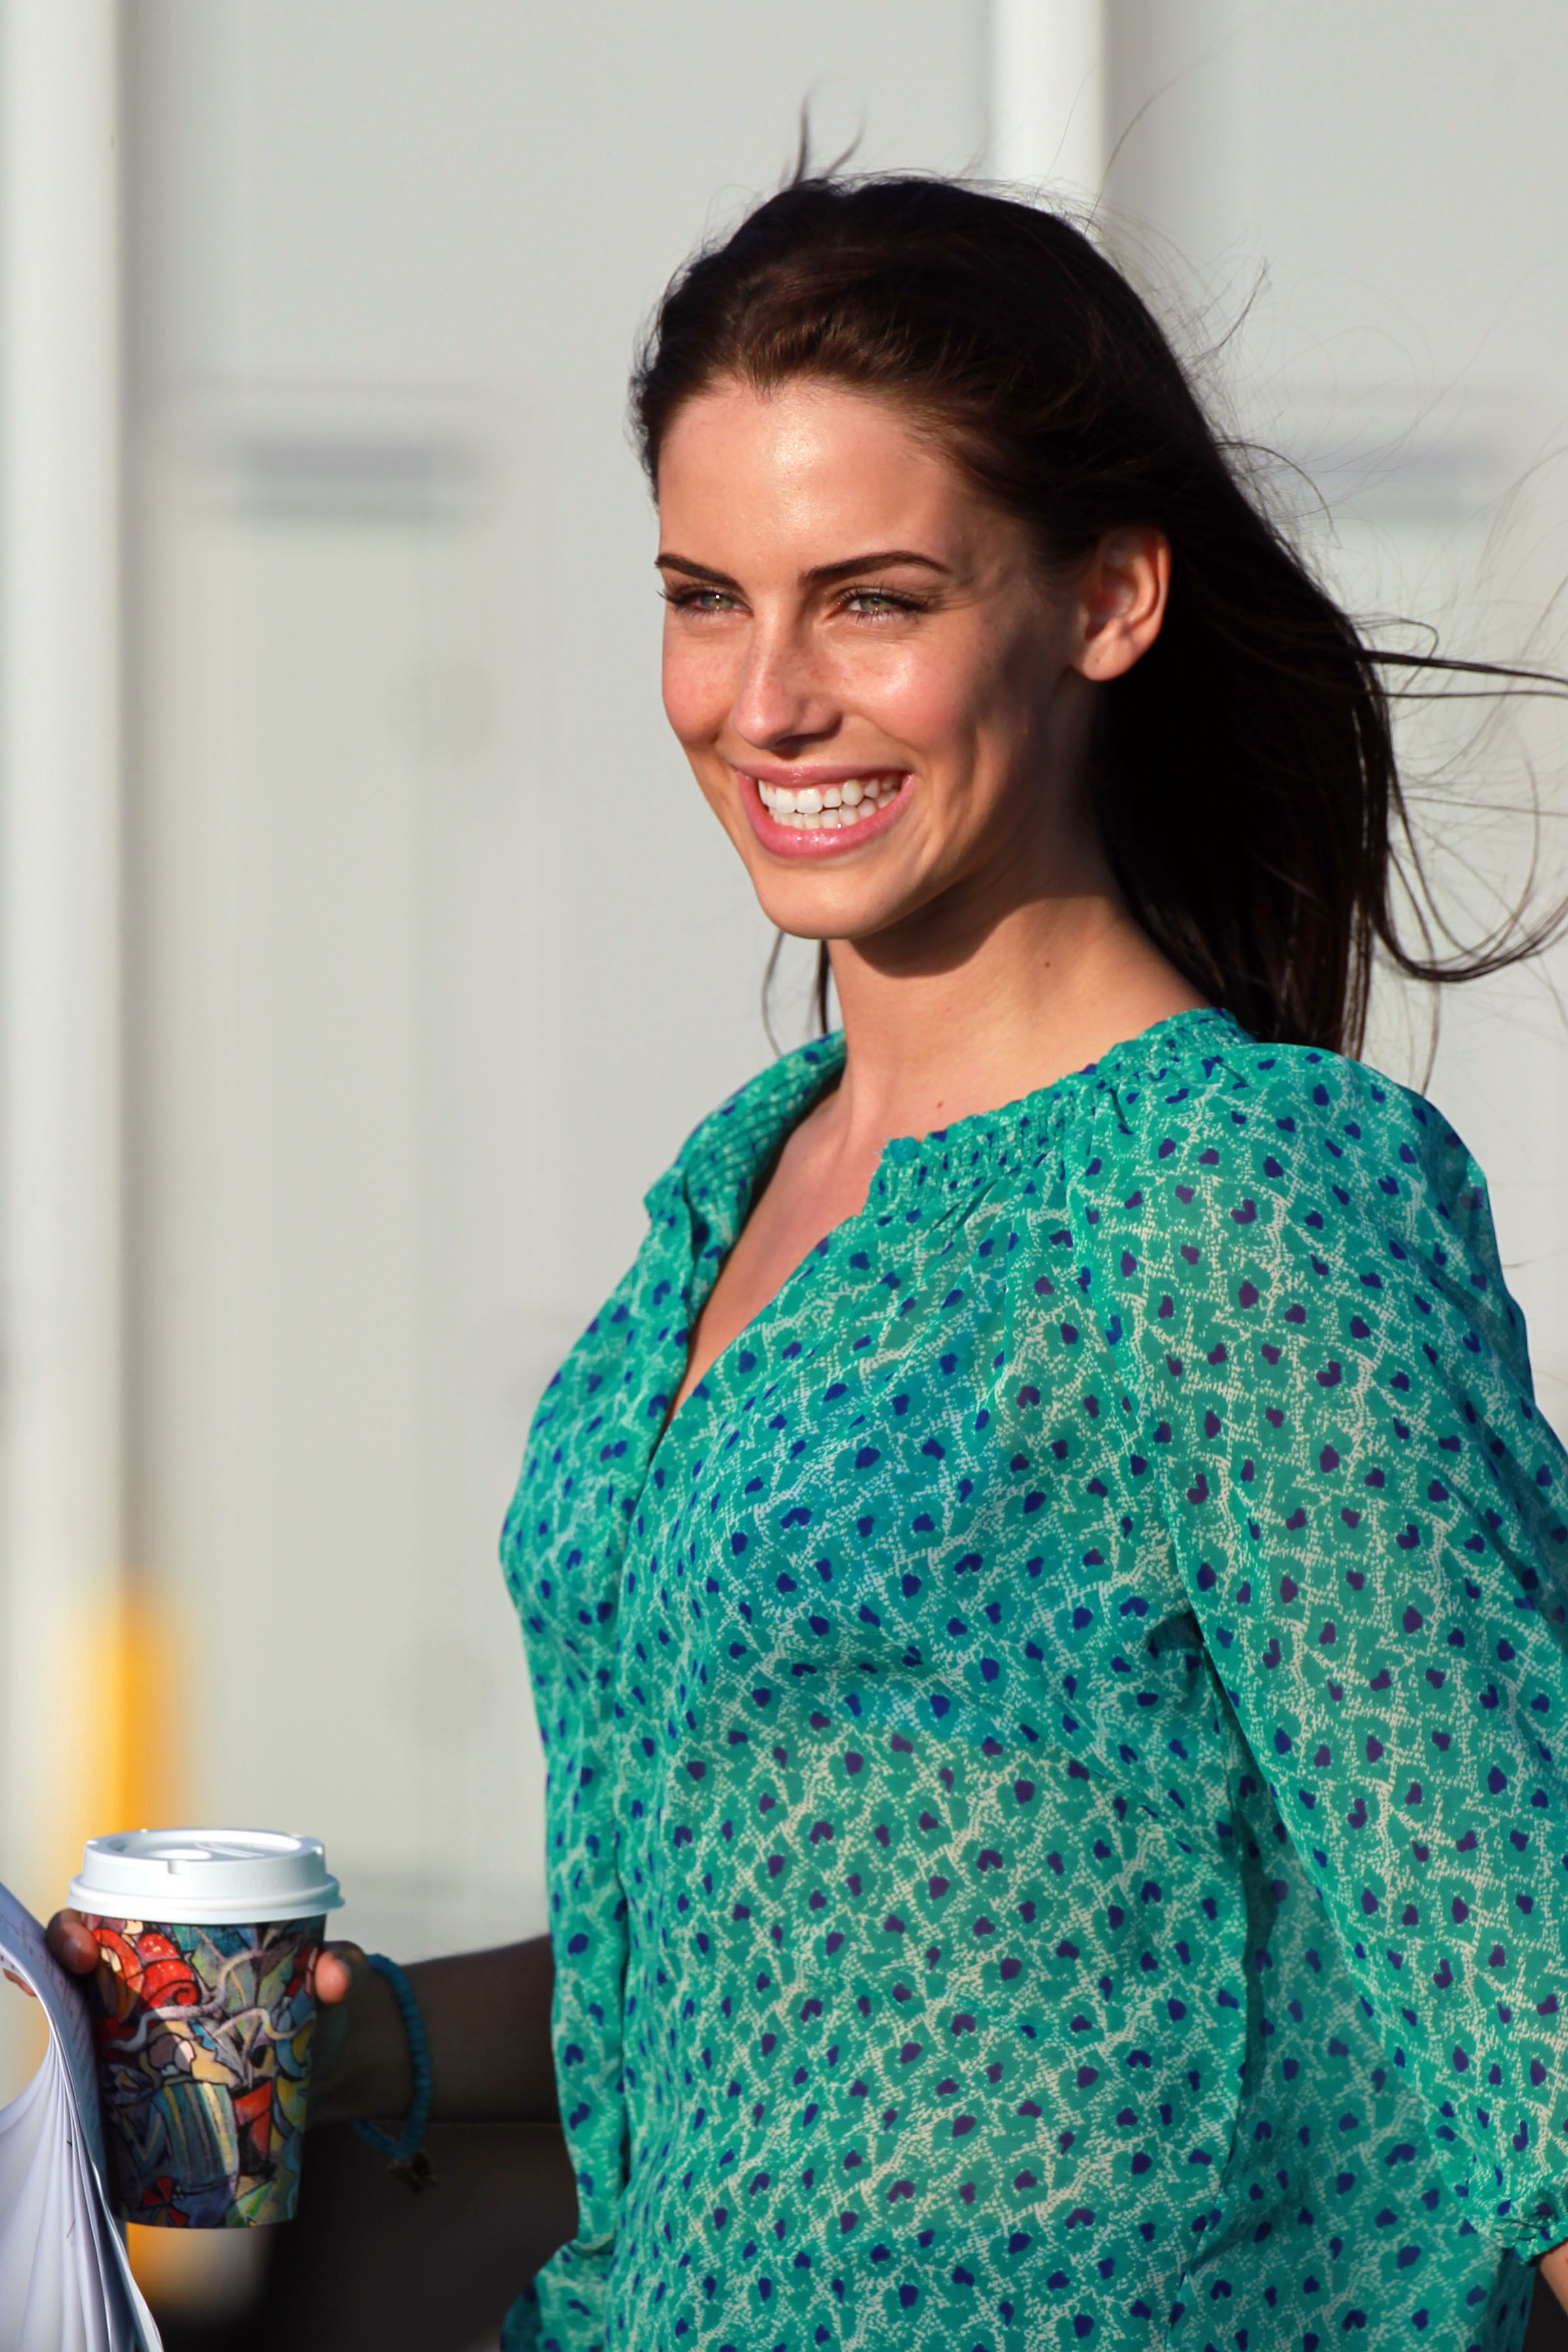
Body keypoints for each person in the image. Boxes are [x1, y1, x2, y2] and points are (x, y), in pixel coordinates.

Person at [49, 170, 1568, 2351]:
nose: (764, 701)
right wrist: (354, 2038)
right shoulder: (741, 1177)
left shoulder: (1244, 1195)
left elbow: (1535, 2009)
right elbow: (781, 1932)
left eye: (871, 602)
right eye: (705, 597)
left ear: (1108, 599)